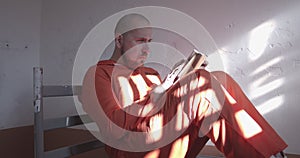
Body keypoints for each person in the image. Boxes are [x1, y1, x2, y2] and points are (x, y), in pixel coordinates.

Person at [80, 13, 287, 158]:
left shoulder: (150, 74)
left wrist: (180, 79)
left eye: (149, 41)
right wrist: (157, 95)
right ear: (119, 40)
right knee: (201, 82)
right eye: (140, 41)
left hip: (164, 139)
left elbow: (162, 111)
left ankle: (274, 154)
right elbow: (111, 131)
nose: (146, 50)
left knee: (219, 78)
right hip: (132, 150)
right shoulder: (98, 74)